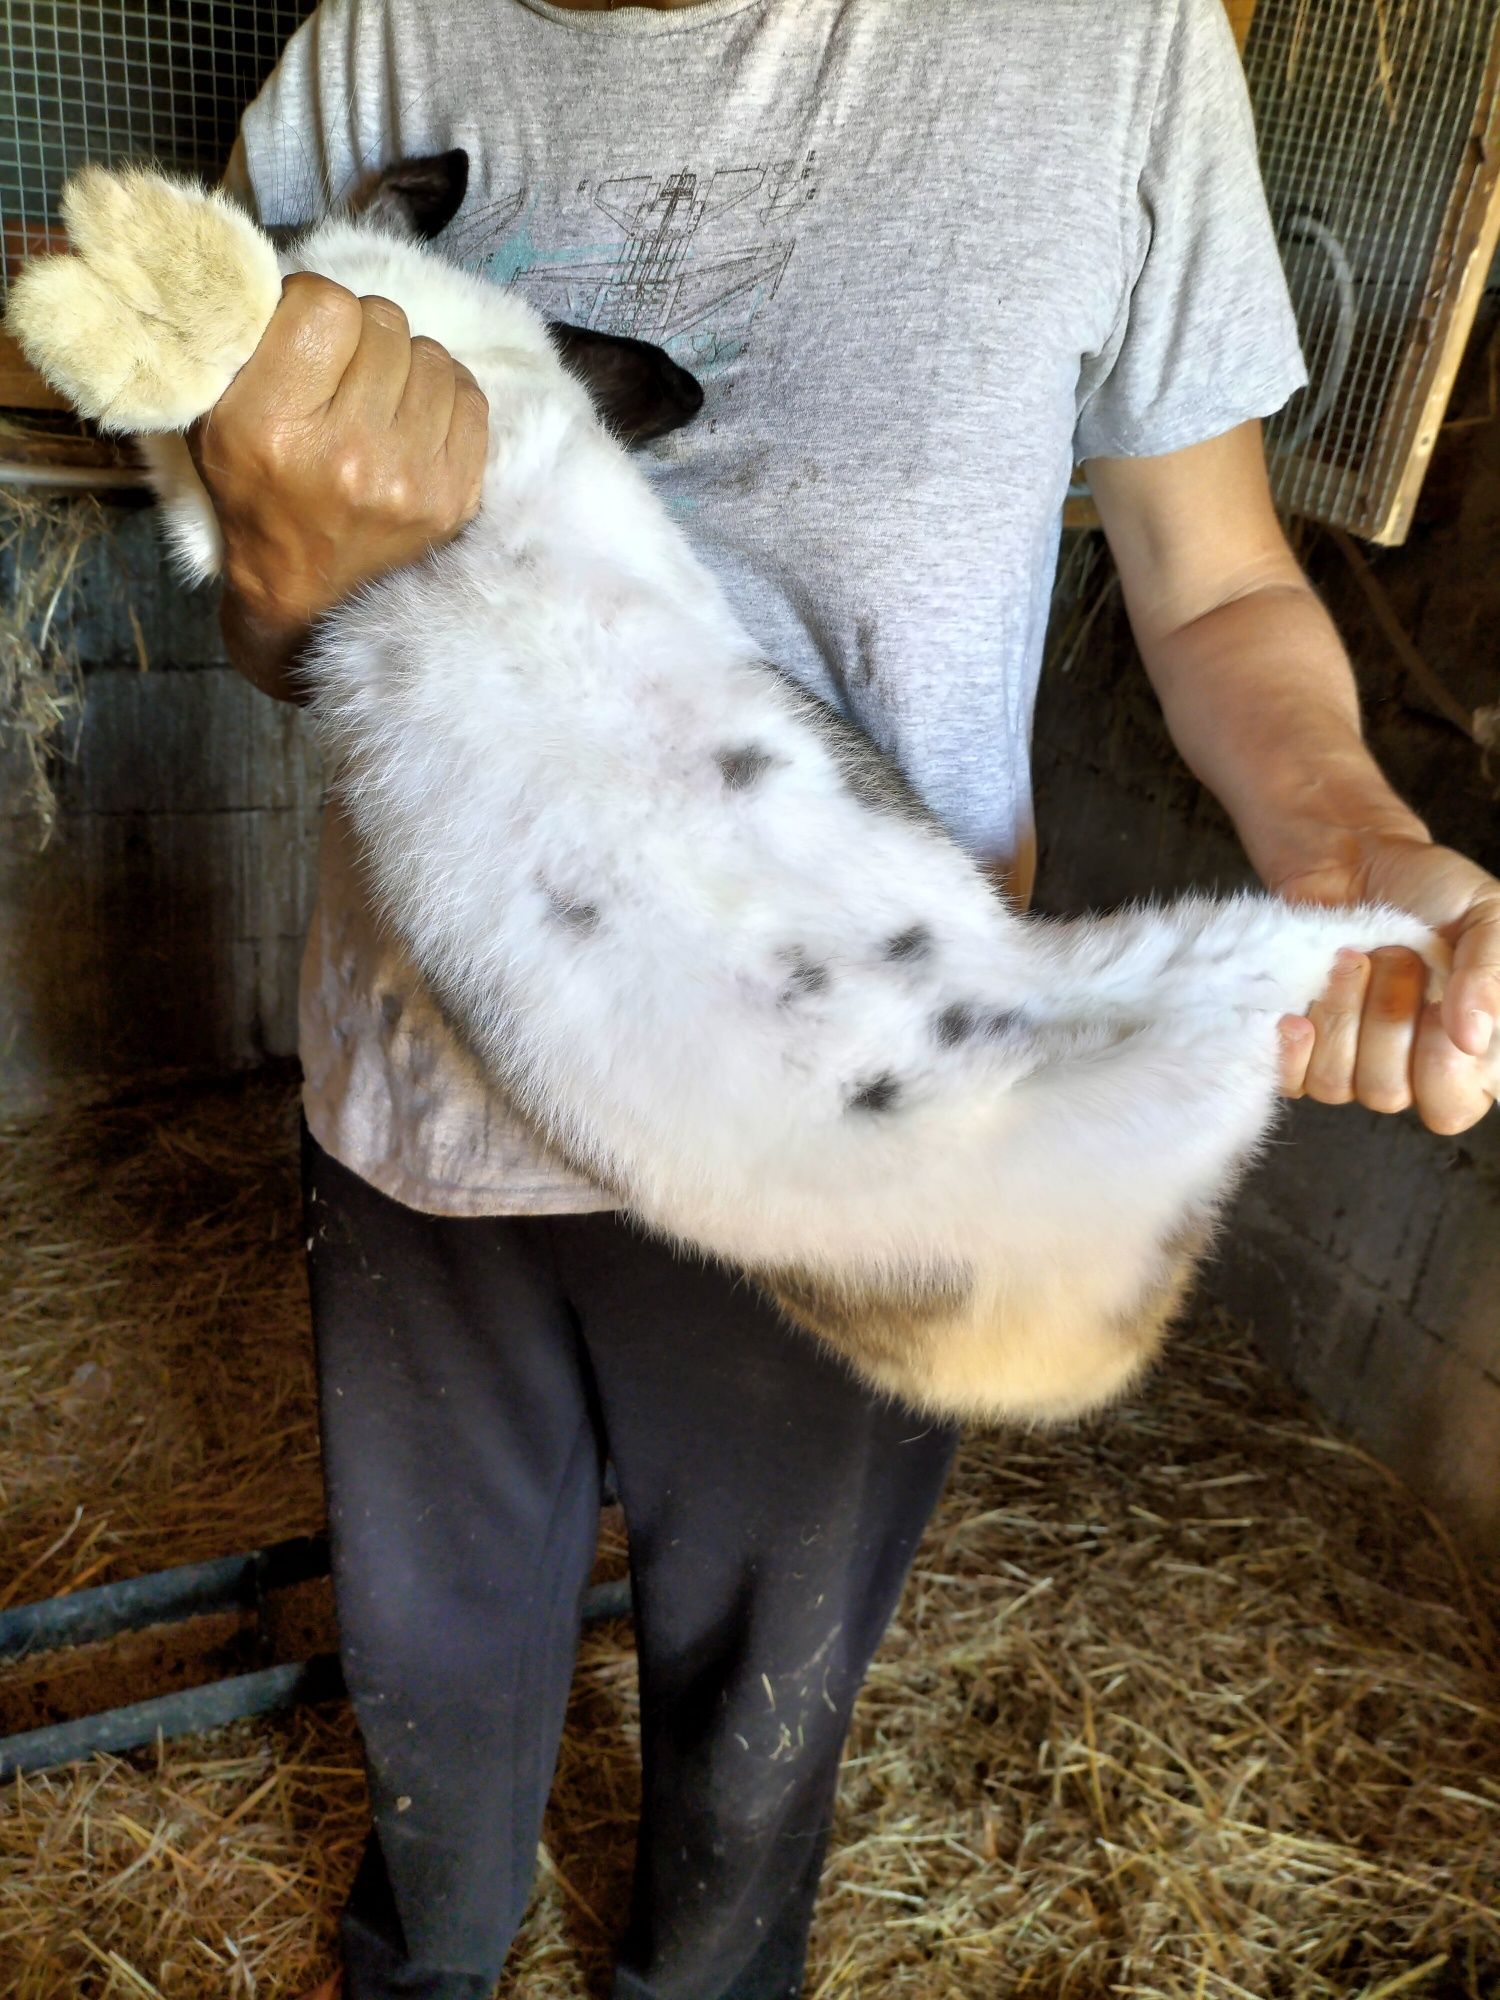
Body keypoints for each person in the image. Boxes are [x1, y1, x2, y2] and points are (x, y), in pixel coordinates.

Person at [192, 1, 1500, 1994]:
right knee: (435, 1682)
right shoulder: (378, 44)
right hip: (429, 1096)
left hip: (864, 1144)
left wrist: (1338, 828)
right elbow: (265, 606)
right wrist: (288, 578)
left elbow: (1217, 579)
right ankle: (429, 1953)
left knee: (756, 1743)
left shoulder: (1113, 49)